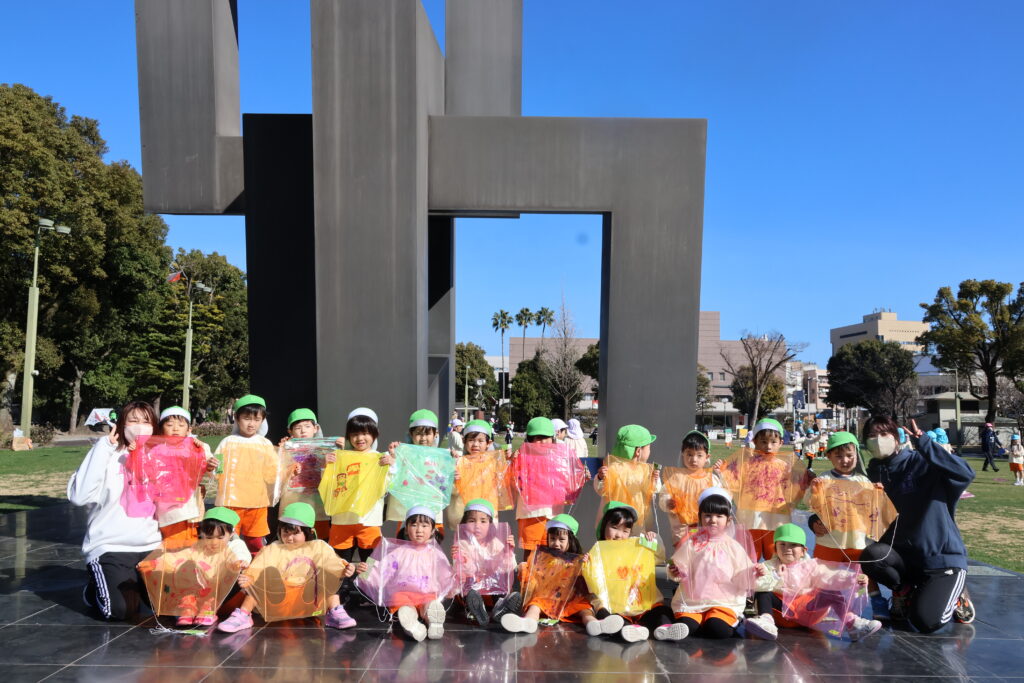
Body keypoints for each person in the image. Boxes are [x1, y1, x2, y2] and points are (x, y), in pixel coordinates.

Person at [858, 416, 976, 632]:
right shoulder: (873, 474)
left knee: (925, 622)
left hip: (940, 560)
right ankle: (905, 591)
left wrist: (925, 444)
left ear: (896, 437)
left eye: (884, 434)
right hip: (906, 560)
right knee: (872, 555)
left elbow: (965, 473)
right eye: (872, 436)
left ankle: (956, 596)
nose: (878, 440)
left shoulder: (922, 462)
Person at [68, 400, 163, 621]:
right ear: (121, 424)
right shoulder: (107, 455)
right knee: (119, 611)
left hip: (152, 546)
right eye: (133, 420)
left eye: (146, 421)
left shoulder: (159, 457)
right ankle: (93, 590)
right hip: (111, 546)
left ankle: (133, 583)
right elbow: (79, 497)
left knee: (170, 605)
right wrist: (104, 447)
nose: (139, 427)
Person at [218, 502, 357, 632]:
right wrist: (249, 577)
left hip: (308, 601)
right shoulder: (274, 548)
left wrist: (344, 569)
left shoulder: (318, 546)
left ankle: (335, 611)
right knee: (262, 578)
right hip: (279, 601)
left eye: (295, 533)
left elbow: (332, 562)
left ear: (309, 532)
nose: (289, 538)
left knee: (328, 574)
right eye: (286, 533)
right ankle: (243, 614)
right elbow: (258, 567)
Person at [744, 523, 882, 642]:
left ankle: (852, 624)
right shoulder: (769, 566)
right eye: (782, 544)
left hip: (807, 611)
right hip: (784, 614)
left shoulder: (811, 566)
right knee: (763, 593)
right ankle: (766, 620)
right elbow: (756, 585)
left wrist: (852, 578)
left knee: (833, 593)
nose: (787, 549)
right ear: (775, 549)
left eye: (793, 545)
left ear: (803, 551)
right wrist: (775, 576)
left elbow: (830, 576)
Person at [667, 488, 757, 639]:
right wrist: (676, 570)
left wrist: (753, 573)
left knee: (717, 629)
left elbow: (742, 575)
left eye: (719, 516)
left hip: (724, 602)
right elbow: (678, 565)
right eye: (707, 515)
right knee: (687, 627)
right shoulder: (692, 543)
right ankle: (697, 622)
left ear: (728, 520)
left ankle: (722, 622)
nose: (713, 520)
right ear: (700, 518)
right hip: (693, 601)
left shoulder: (733, 547)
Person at [721, 417, 812, 560]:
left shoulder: (785, 467)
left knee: (775, 559)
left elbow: (795, 488)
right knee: (749, 559)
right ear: (755, 442)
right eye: (763, 442)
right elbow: (730, 483)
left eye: (773, 442)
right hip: (750, 521)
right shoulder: (746, 464)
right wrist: (721, 471)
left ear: (781, 443)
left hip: (776, 521)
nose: (768, 447)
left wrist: (807, 479)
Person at [501, 514, 605, 634]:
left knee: (585, 608)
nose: (556, 543)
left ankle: (593, 623)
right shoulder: (544, 558)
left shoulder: (576, 560)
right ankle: (528, 622)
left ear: (571, 540)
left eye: (561, 539)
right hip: (548, 599)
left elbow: (587, 578)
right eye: (552, 538)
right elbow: (535, 574)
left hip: (570, 600)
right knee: (535, 605)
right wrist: (524, 568)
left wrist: (586, 565)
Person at [589, 502, 675, 642]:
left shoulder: (637, 544)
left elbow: (659, 557)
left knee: (661, 611)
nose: (619, 535)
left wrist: (654, 540)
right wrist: (587, 564)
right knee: (611, 617)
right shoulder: (598, 551)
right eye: (614, 528)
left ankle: (664, 628)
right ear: (604, 525)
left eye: (625, 531)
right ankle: (631, 629)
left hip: (643, 603)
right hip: (616, 605)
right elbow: (593, 579)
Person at [365, 507, 452, 641]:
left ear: (433, 530)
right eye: (414, 525)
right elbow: (384, 568)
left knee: (430, 602)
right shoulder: (399, 551)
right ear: (406, 529)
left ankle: (431, 618)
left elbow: (444, 572)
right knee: (401, 603)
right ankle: (412, 622)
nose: (419, 530)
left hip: (427, 592)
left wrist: (452, 583)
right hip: (403, 594)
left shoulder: (435, 553)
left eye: (424, 526)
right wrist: (367, 569)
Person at [213, 395, 279, 554]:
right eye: (247, 418)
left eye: (257, 419)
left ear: (262, 420)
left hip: (257, 504)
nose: (251, 424)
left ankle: (256, 568)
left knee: (256, 543)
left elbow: (273, 473)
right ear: (237, 418)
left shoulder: (265, 444)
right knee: (228, 541)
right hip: (231, 503)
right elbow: (217, 469)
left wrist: (289, 468)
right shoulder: (227, 442)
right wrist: (212, 466)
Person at [327, 408, 393, 565]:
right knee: (340, 564)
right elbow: (329, 484)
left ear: (375, 434)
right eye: (355, 434)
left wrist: (392, 465)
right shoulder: (339, 457)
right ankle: (345, 582)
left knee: (370, 565)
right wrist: (327, 466)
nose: (360, 438)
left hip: (369, 520)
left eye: (365, 433)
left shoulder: (380, 458)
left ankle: (366, 582)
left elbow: (390, 485)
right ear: (348, 436)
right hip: (342, 519)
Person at [153, 405, 217, 550]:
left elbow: (211, 468)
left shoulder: (197, 447)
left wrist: (210, 465)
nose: (175, 429)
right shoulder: (156, 450)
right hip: (170, 509)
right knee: (173, 544)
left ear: (189, 430)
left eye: (181, 425)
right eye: (169, 425)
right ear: (161, 429)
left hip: (193, 507)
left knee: (194, 542)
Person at [452, 499, 519, 625]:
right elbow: (465, 572)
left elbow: (507, 568)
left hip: (491, 589)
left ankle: (500, 607)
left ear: (490, 524)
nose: (477, 525)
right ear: (464, 523)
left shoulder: (495, 543)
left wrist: (507, 552)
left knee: (503, 578)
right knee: (468, 585)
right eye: (472, 521)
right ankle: (477, 609)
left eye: (483, 521)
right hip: (472, 590)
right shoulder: (462, 544)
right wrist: (463, 560)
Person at [512, 417, 565, 560]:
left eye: (545, 438)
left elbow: (566, 480)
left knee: (552, 553)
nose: (542, 442)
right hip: (530, 514)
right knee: (531, 552)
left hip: (553, 513)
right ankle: (527, 575)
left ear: (552, 438)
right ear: (529, 440)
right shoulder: (521, 457)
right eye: (537, 438)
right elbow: (513, 480)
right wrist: (512, 460)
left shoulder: (559, 458)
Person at [658, 430, 719, 546]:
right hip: (681, 530)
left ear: (707, 457)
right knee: (683, 551)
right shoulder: (676, 478)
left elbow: (720, 499)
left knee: (703, 551)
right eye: (689, 454)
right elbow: (664, 495)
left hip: (705, 527)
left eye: (699, 455)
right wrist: (667, 502)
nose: (694, 459)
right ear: (683, 454)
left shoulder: (711, 479)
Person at [277, 408, 331, 539]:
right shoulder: (285, 448)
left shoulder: (323, 448)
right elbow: (277, 472)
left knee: (320, 537)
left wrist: (342, 444)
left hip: (317, 501)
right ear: (290, 431)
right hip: (293, 500)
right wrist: (282, 453)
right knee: (294, 534)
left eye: (307, 426)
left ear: (315, 428)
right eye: (298, 427)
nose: (303, 431)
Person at [385, 409, 442, 526]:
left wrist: (453, 458)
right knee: (406, 536)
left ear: (436, 434)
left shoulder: (442, 457)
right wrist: (394, 457)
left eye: (427, 434)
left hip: (432, 512)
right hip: (407, 514)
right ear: (411, 434)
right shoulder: (402, 453)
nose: (423, 438)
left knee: (432, 537)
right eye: (419, 434)